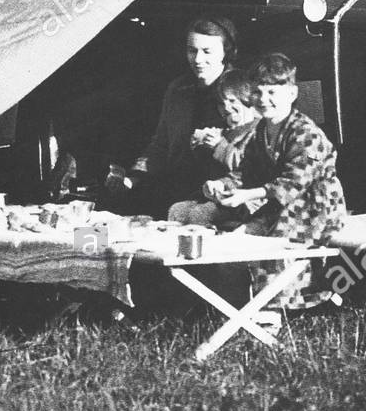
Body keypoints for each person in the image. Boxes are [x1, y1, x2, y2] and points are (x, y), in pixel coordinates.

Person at [206, 52, 347, 312]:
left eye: (273, 92)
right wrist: (223, 187)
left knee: (271, 252)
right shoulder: (261, 131)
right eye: (258, 93)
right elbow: (249, 173)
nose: (264, 100)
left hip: (314, 210)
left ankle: (277, 314)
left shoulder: (305, 133)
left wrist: (247, 195)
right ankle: (235, 312)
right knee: (233, 243)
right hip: (280, 208)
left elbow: (294, 182)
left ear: (292, 93)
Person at [102, 16, 236, 218]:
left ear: (226, 52)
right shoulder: (178, 89)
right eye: (192, 50)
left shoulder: (239, 91)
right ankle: (80, 248)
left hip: (218, 190)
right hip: (175, 184)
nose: (198, 59)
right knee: (108, 215)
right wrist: (132, 179)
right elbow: (161, 145)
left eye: (207, 51)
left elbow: (251, 154)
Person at [167, 69, 263, 228]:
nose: (226, 107)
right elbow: (211, 168)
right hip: (219, 195)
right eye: (221, 102)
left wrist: (219, 146)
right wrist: (200, 148)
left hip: (246, 199)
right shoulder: (225, 132)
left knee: (201, 214)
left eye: (232, 101)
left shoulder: (257, 131)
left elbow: (246, 166)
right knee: (177, 210)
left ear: (247, 99)